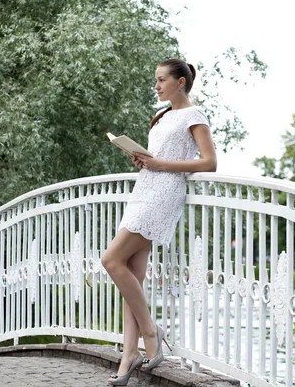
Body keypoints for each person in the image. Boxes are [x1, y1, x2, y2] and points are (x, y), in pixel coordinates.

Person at [101, 59, 217, 386]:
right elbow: (156, 158)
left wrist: (159, 164)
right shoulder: (162, 115)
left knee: (111, 260)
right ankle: (128, 358)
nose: (157, 85)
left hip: (163, 194)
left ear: (180, 82)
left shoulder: (194, 116)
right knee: (131, 276)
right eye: (155, 80)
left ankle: (151, 332)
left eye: (162, 79)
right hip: (144, 189)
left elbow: (209, 162)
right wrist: (141, 158)